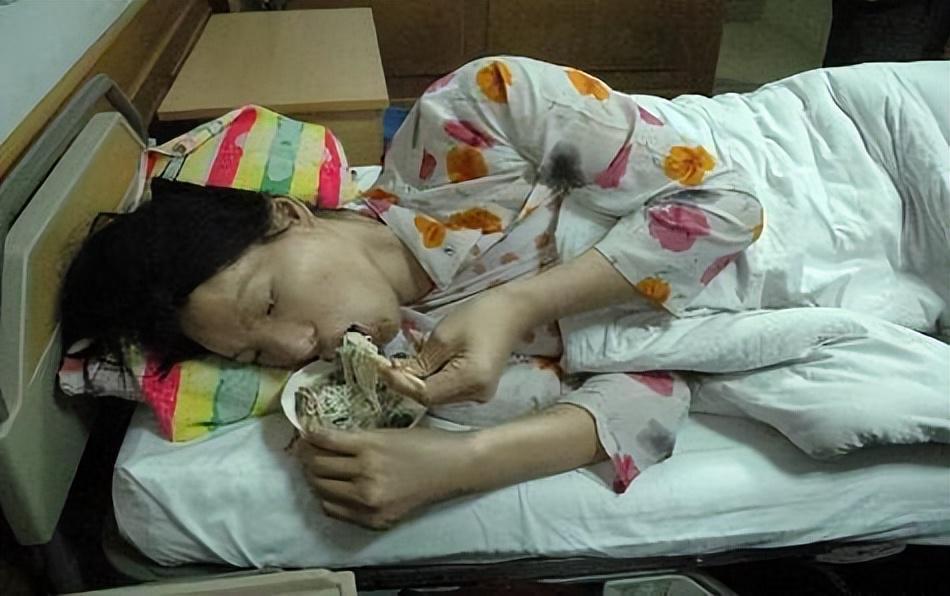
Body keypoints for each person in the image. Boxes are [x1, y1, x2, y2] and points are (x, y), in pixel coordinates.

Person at [62, 57, 949, 530]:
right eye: (258, 354)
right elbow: (654, 388)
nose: (296, 348)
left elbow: (722, 204)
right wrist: (453, 466)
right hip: (879, 284)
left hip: (868, 154)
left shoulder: (473, 115)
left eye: (267, 307)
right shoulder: (423, 365)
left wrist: (521, 304)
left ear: (288, 216)